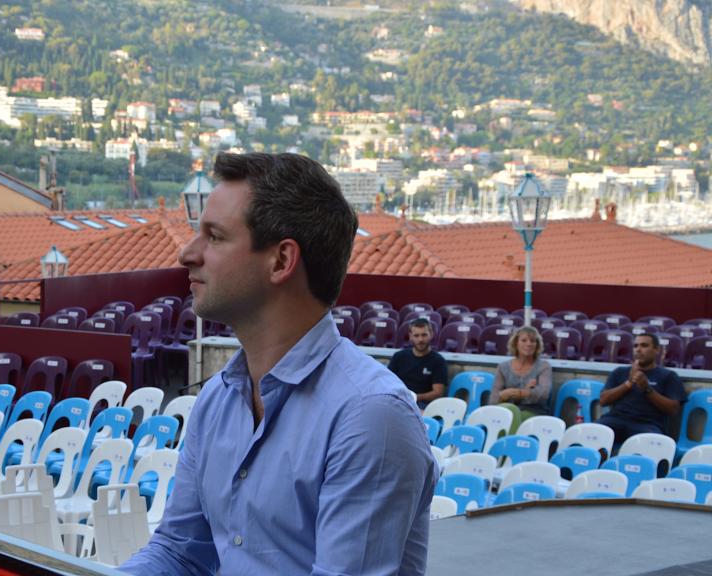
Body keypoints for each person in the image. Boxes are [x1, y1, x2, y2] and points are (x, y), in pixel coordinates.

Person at [121, 152, 436, 575]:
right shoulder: (218, 399)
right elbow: (180, 551)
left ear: (282, 261)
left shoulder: (369, 416)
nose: (186, 253)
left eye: (214, 237)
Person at [597, 333, 686, 444]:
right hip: (615, 420)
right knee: (594, 433)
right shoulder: (620, 372)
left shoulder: (668, 376)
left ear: (656, 349)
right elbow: (603, 401)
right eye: (636, 346)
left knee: (653, 443)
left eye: (644, 345)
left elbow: (673, 409)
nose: (638, 350)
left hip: (648, 425)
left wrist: (647, 389)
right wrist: (628, 383)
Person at [490, 326, 552, 425]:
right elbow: (493, 399)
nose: (529, 344)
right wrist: (526, 391)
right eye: (524, 340)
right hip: (507, 410)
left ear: (537, 345)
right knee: (501, 414)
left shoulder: (543, 366)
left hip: (534, 413)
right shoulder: (503, 367)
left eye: (532, 341)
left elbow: (543, 394)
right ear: (516, 343)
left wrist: (515, 393)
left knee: (510, 416)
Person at [388, 318, 448, 409]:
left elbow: (438, 393)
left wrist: (414, 397)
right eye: (416, 335)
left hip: (423, 405)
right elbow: (388, 382)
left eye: (424, 335)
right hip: (398, 401)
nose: (420, 339)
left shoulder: (438, 361)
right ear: (410, 336)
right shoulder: (398, 357)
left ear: (431, 334)